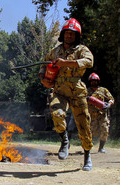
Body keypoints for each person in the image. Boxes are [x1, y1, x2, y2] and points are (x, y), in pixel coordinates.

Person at [39, 18, 94, 171]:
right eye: (67, 33)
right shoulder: (55, 51)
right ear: (63, 35)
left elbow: (89, 62)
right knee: (56, 113)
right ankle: (64, 140)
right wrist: (43, 79)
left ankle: (87, 157)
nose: (69, 36)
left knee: (83, 125)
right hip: (60, 90)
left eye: (72, 34)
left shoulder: (81, 49)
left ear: (77, 36)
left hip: (77, 91)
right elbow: (44, 64)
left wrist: (66, 63)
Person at [87, 73, 114, 153]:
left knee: (105, 130)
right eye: (92, 81)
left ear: (98, 81)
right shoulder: (87, 91)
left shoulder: (103, 90)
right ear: (90, 82)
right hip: (91, 115)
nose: (94, 82)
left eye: (95, 81)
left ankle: (101, 148)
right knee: (91, 132)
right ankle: (88, 147)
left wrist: (109, 104)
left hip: (102, 114)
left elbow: (111, 99)